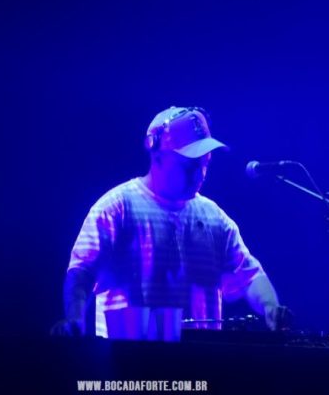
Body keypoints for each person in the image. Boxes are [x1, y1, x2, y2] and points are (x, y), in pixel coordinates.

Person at [53, 106, 291, 340]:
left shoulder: (216, 219)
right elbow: (82, 271)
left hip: (201, 359)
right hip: (127, 358)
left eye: (205, 163)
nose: (200, 174)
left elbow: (250, 276)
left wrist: (270, 306)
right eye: (189, 166)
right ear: (156, 153)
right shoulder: (116, 207)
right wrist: (74, 317)